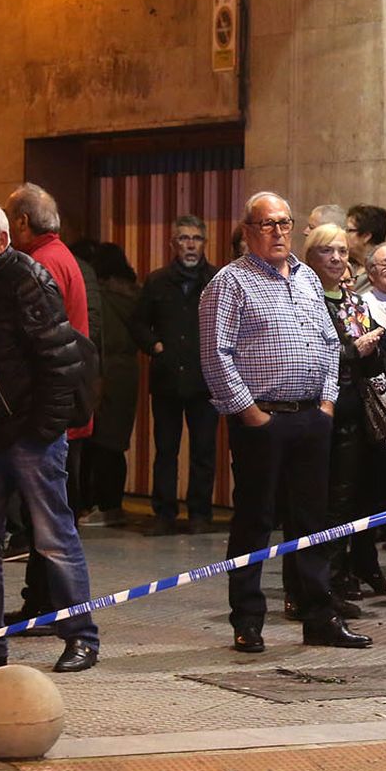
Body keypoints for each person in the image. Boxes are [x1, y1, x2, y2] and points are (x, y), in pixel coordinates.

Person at [198, 192, 370, 653]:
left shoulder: (309, 278)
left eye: (284, 223)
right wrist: (249, 412)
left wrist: (328, 402)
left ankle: (319, 616)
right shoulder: (229, 283)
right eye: (267, 224)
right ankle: (248, 619)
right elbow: (216, 354)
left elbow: (330, 343)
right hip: (262, 420)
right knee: (255, 520)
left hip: (312, 417)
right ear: (248, 231)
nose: (277, 232)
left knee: (312, 523)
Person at [0, 199, 100, 673]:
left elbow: (58, 361)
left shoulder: (26, 278)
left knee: (54, 539)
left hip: (30, 439)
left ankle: (81, 638)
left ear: (2, 239)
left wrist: (43, 430)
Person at [4, 183, 92, 632]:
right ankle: (43, 602)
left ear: (22, 222)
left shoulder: (41, 265)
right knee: (53, 515)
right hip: (64, 408)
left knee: (50, 519)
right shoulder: (62, 257)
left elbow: (40, 345)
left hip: (50, 413)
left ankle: (50, 607)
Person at [297, 223, 386, 605]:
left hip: (359, 410)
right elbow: (311, 355)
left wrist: (377, 347)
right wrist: (354, 351)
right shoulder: (307, 299)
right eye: (328, 251)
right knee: (328, 503)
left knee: (358, 498)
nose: (338, 258)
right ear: (310, 257)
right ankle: (328, 583)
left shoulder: (353, 301)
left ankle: (349, 573)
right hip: (321, 411)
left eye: (342, 251)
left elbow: (368, 362)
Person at [131, 215, 219, 535]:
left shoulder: (217, 280)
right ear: (173, 244)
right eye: (184, 238)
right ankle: (164, 513)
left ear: (204, 243)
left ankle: (200, 514)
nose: (191, 245)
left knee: (203, 450)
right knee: (166, 450)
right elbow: (138, 323)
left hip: (205, 380)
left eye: (196, 238)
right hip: (167, 379)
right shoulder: (157, 281)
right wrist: (155, 347)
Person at [79, 243, 140, 528]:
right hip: (127, 372)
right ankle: (112, 505)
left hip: (104, 370)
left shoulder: (99, 297)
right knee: (114, 444)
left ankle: (101, 504)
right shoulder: (134, 294)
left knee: (97, 443)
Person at [344, 204, 386, 294]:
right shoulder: (346, 264)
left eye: (348, 230)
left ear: (366, 236)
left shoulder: (384, 271)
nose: (343, 234)